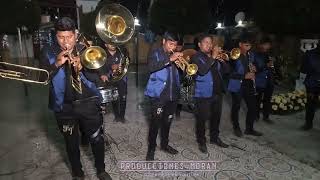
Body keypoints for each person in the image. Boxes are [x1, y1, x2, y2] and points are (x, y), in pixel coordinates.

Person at [40, 17, 112, 180]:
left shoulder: (86, 49)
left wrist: (83, 68)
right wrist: (56, 64)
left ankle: (101, 170)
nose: (66, 41)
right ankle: (78, 172)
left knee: (96, 138)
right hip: (63, 107)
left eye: (69, 37)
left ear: (75, 34)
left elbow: (97, 78)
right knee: (71, 143)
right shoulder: (48, 51)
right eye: (61, 37)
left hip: (88, 104)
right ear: (55, 36)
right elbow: (42, 78)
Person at [144, 32, 182, 161]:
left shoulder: (175, 55)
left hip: (173, 95)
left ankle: (165, 145)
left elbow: (181, 75)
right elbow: (151, 67)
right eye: (171, 44)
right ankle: (151, 149)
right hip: (158, 96)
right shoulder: (155, 52)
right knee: (155, 123)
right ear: (164, 41)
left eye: (175, 45)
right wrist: (170, 60)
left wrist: (182, 67)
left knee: (167, 122)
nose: (173, 47)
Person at [192, 34, 229, 153]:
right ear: (199, 44)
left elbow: (227, 71)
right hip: (203, 94)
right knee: (202, 119)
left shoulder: (215, 57)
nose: (209, 45)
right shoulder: (196, 57)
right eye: (206, 42)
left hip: (217, 93)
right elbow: (202, 71)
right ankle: (201, 142)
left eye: (210, 43)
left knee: (216, 117)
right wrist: (213, 57)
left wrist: (222, 61)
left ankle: (214, 138)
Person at [228, 34, 263, 137]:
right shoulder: (233, 55)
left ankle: (249, 128)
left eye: (250, 46)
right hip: (237, 84)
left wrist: (255, 69)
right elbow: (229, 73)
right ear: (240, 44)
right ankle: (236, 127)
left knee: (252, 107)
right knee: (236, 107)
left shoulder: (251, 55)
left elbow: (258, 67)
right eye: (246, 45)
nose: (248, 48)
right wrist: (244, 76)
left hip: (248, 85)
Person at [100, 43, 128, 123]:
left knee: (123, 97)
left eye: (113, 43)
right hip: (110, 80)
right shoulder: (102, 54)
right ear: (105, 45)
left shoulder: (121, 53)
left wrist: (121, 67)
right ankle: (116, 116)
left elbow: (126, 63)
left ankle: (122, 117)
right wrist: (110, 68)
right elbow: (101, 68)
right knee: (114, 98)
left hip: (122, 79)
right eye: (110, 43)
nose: (112, 45)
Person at [253, 37, 275, 123]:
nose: (267, 46)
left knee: (267, 100)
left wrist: (274, 65)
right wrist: (267, 65)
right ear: (260, 44)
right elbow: (256, 69)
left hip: (269, 81)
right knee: (257, 100)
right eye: (266, 44)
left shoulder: (270, 54)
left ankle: (266, 117)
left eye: (269, 45)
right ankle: (256, 116)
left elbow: (273, 67)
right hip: (259, 81)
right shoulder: (255, 54)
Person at [300, 44, 320, 130]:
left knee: (311, 104)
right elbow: (303, 69)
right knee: (311, 104)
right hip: (312, 83)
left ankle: (308, 124)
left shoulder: (310, 54)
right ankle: (308, 123)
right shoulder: (309, 54)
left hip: (312, 82)